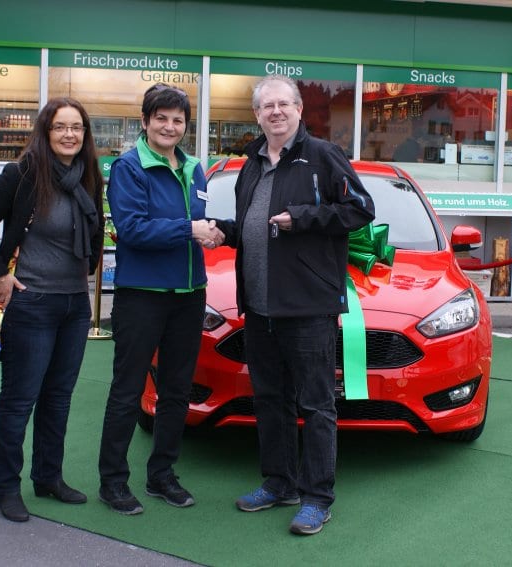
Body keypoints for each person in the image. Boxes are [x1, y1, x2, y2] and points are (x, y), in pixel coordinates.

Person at [213, 75, 375, 535]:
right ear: (258, 115)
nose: (276, 112)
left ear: (300, 110)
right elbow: (252, 225)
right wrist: (223, 229)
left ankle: (317, 496)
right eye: (268, 106)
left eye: (285, 104)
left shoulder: (322, 156)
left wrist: (304, 218)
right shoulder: (250, 165)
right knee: (270, 400)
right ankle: (278, 482)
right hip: (260, 307)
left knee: (316, 404)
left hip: (307, 308)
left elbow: (361, 209)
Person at [0, 97, 104, 522]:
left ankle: (48, 478)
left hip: (74, 305)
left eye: (76, 127)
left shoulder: (89, 177)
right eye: (60, 127)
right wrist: (0, 278)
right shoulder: (21, 174)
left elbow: (94, 228)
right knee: (19, 398)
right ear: (45, 132)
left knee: (58, 398)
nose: (69, 135)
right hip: (31, 304)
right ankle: (6, 486)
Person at [97, 84, 221, 515]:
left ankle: (161, 475)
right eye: (161, 118)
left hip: (189, 296)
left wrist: (211, 232)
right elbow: (131, 229)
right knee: (127, 390)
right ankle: (112, 481)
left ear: (186, 126)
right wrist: (190, 229)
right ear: (145, 121)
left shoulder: (195, 169)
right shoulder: (129, 168)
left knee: (176, 391)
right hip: (141, 296)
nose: (170, 127)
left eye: (178, 120)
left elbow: (198, 224)